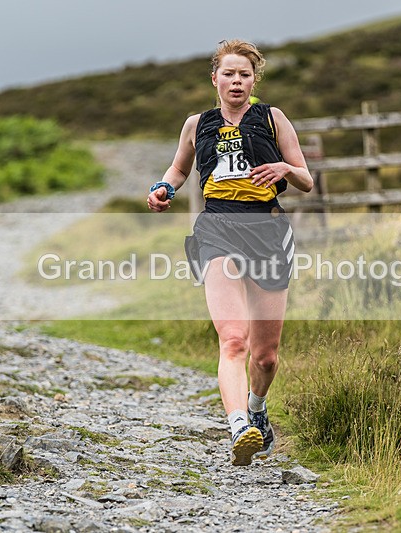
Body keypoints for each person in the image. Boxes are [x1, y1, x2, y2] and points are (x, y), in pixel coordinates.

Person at [147, 39, 313, 466]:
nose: (236, 81)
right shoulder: (195, 124)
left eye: (244, 74)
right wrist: (163, 188)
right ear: (215, 78)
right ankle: (238, 424)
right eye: (229, 73)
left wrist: (286, 169)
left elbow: (306, 180)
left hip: (268, 230)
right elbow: (180, 168)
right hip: (217, 229)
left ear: (254, 80)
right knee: (233, 339)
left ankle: (257, 410)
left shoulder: (273, 118)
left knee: (266, 355)